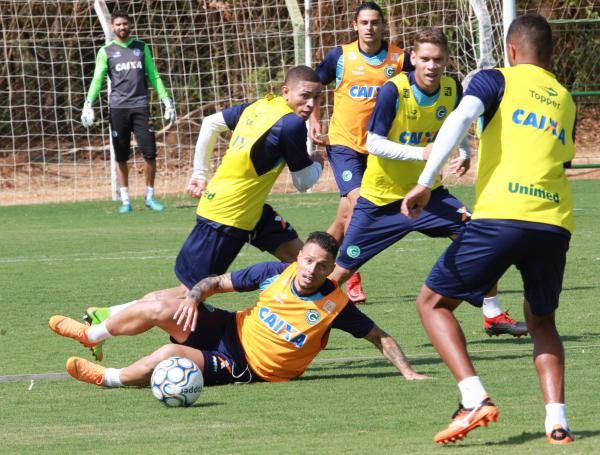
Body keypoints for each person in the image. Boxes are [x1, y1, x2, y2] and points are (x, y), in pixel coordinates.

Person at [400, 14, 576, 445]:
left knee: (432, 304)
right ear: (550, 55)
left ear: (512, 52)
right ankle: (558, 423)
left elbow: (460, 119)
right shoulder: (565, 98)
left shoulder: (495, 78)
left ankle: (473, 396)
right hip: (554, 222)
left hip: (501, 216)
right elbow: (563, 160)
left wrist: (426, 182)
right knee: (543, 322)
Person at [80, 65, 325, 361]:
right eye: (305, 96)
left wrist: (199, 173)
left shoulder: (262, 104)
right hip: (227, 217)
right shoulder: (290, 125)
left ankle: (300, 324)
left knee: (300, 261)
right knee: (186, 294)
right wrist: (319, 158)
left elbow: (210, 122)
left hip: (249, 209)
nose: (311, 105)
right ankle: (103, 320)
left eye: (316, 98)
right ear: (286, 91)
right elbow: (303, 182)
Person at [327, 28, 526, 338]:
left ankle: (492, 314)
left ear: (446, 60)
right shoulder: (394, 90)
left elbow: (456, 125)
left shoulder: (451, 89)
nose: (431, 66)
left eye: (438, 60)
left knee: (480, 235)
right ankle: (304, 317)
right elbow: (374, 144)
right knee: (340, 271)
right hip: (380, 201)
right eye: (425, 59)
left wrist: (463, 151)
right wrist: (421, 152)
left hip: (428, 196)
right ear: (414, 59)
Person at [49, 232, 429, 388]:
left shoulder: (335, 305)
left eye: (322, 266)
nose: (312, 270)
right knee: (160, 304)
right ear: (300, 257)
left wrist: (408, 371)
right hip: (230, 328)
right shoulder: (274, 273)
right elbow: (216, 281)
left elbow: (379, 337)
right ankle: (91, 334)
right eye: (308, 261)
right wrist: (194, 298)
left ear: (332, 270)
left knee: (167, 355)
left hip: (246, 366)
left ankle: (108, 378)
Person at [309, 2, 413, 303]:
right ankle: (350, 277)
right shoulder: (341, 56)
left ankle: (311, 259)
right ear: (355, 25)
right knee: (358, 205)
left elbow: (417, 89)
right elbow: (314, 85)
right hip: (344, 144)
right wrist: (314, 122)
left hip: (380, 148)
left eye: (375, 22)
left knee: (344, 217)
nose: (370, 28)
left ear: (383, 26)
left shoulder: (398, 58)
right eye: (364, 23)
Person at [81, 10, 176, 213]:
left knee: (150, 152)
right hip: (117, 109)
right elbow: (97, 79)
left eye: (125, 24)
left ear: (129, 25)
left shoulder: (141, 47)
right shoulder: (106, 51)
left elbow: (154, 75)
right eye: (118, 25)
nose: (122, 27)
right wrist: (88, 103)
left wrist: (167, 100)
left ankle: (150, 198)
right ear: (113, 28)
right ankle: (126, 201)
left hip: (140, 106)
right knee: (121, 156)